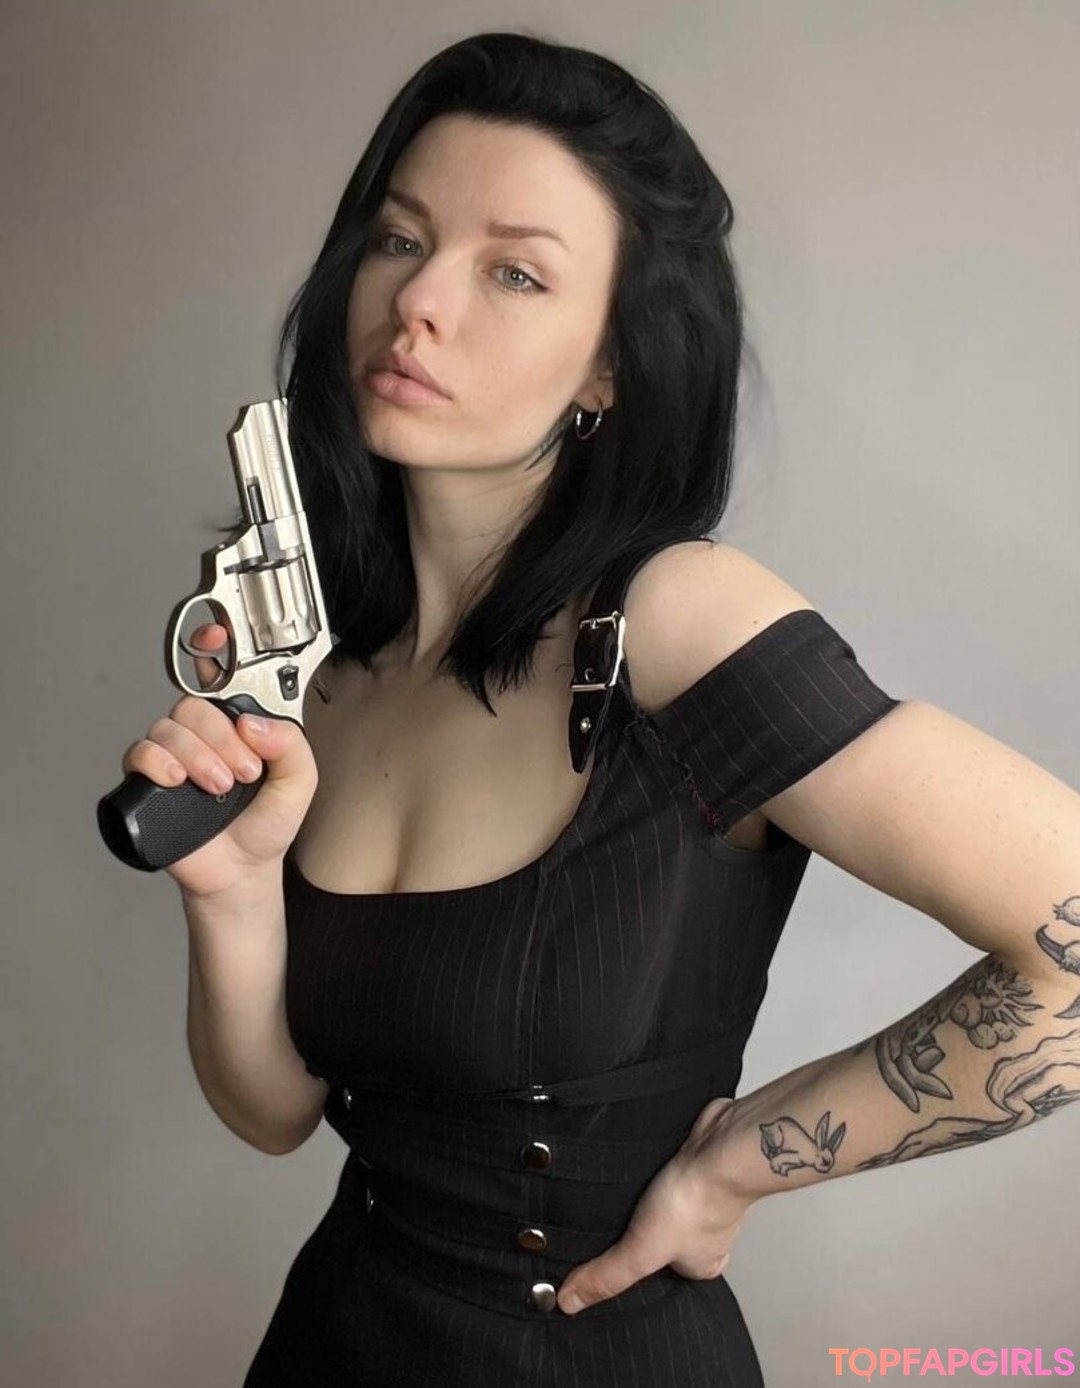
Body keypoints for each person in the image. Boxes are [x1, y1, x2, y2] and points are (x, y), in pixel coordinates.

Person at [119, 31, 1080, 1388]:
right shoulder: (322, 668)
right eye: (400, 240)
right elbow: (275, 1111)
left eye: (513, 272)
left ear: (607, 369)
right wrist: (228, 895)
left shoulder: (676, 622)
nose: (421, 302)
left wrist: (735, 1168)